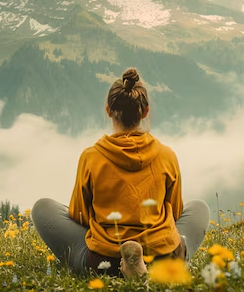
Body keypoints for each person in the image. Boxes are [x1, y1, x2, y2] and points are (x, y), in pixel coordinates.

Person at [32, 68, 210, 278]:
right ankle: (162, 264)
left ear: (108, 110)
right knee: (200, 208)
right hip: (161, 255)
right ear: (145, 112)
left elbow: (80, 215)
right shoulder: (166, 155)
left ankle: (118, 268)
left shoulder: (91, 157)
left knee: (42, 207)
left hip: (104, 261)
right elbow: (176, 211)